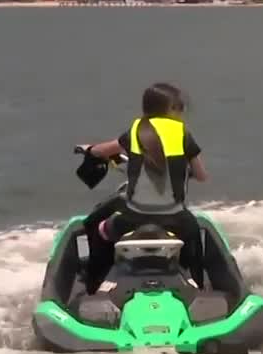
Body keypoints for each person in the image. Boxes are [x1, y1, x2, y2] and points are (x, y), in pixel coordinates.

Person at [78, 82, 209, 285]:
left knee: (95, 224)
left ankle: (93, 280)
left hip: (134, 215)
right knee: (195, 237)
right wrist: (185, 173)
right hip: (174, 216)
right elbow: (201, 175)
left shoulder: (136, 130)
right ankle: (198, 283)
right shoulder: (182, 133)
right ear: (172, 109)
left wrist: (89, 150)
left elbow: (103, 151)